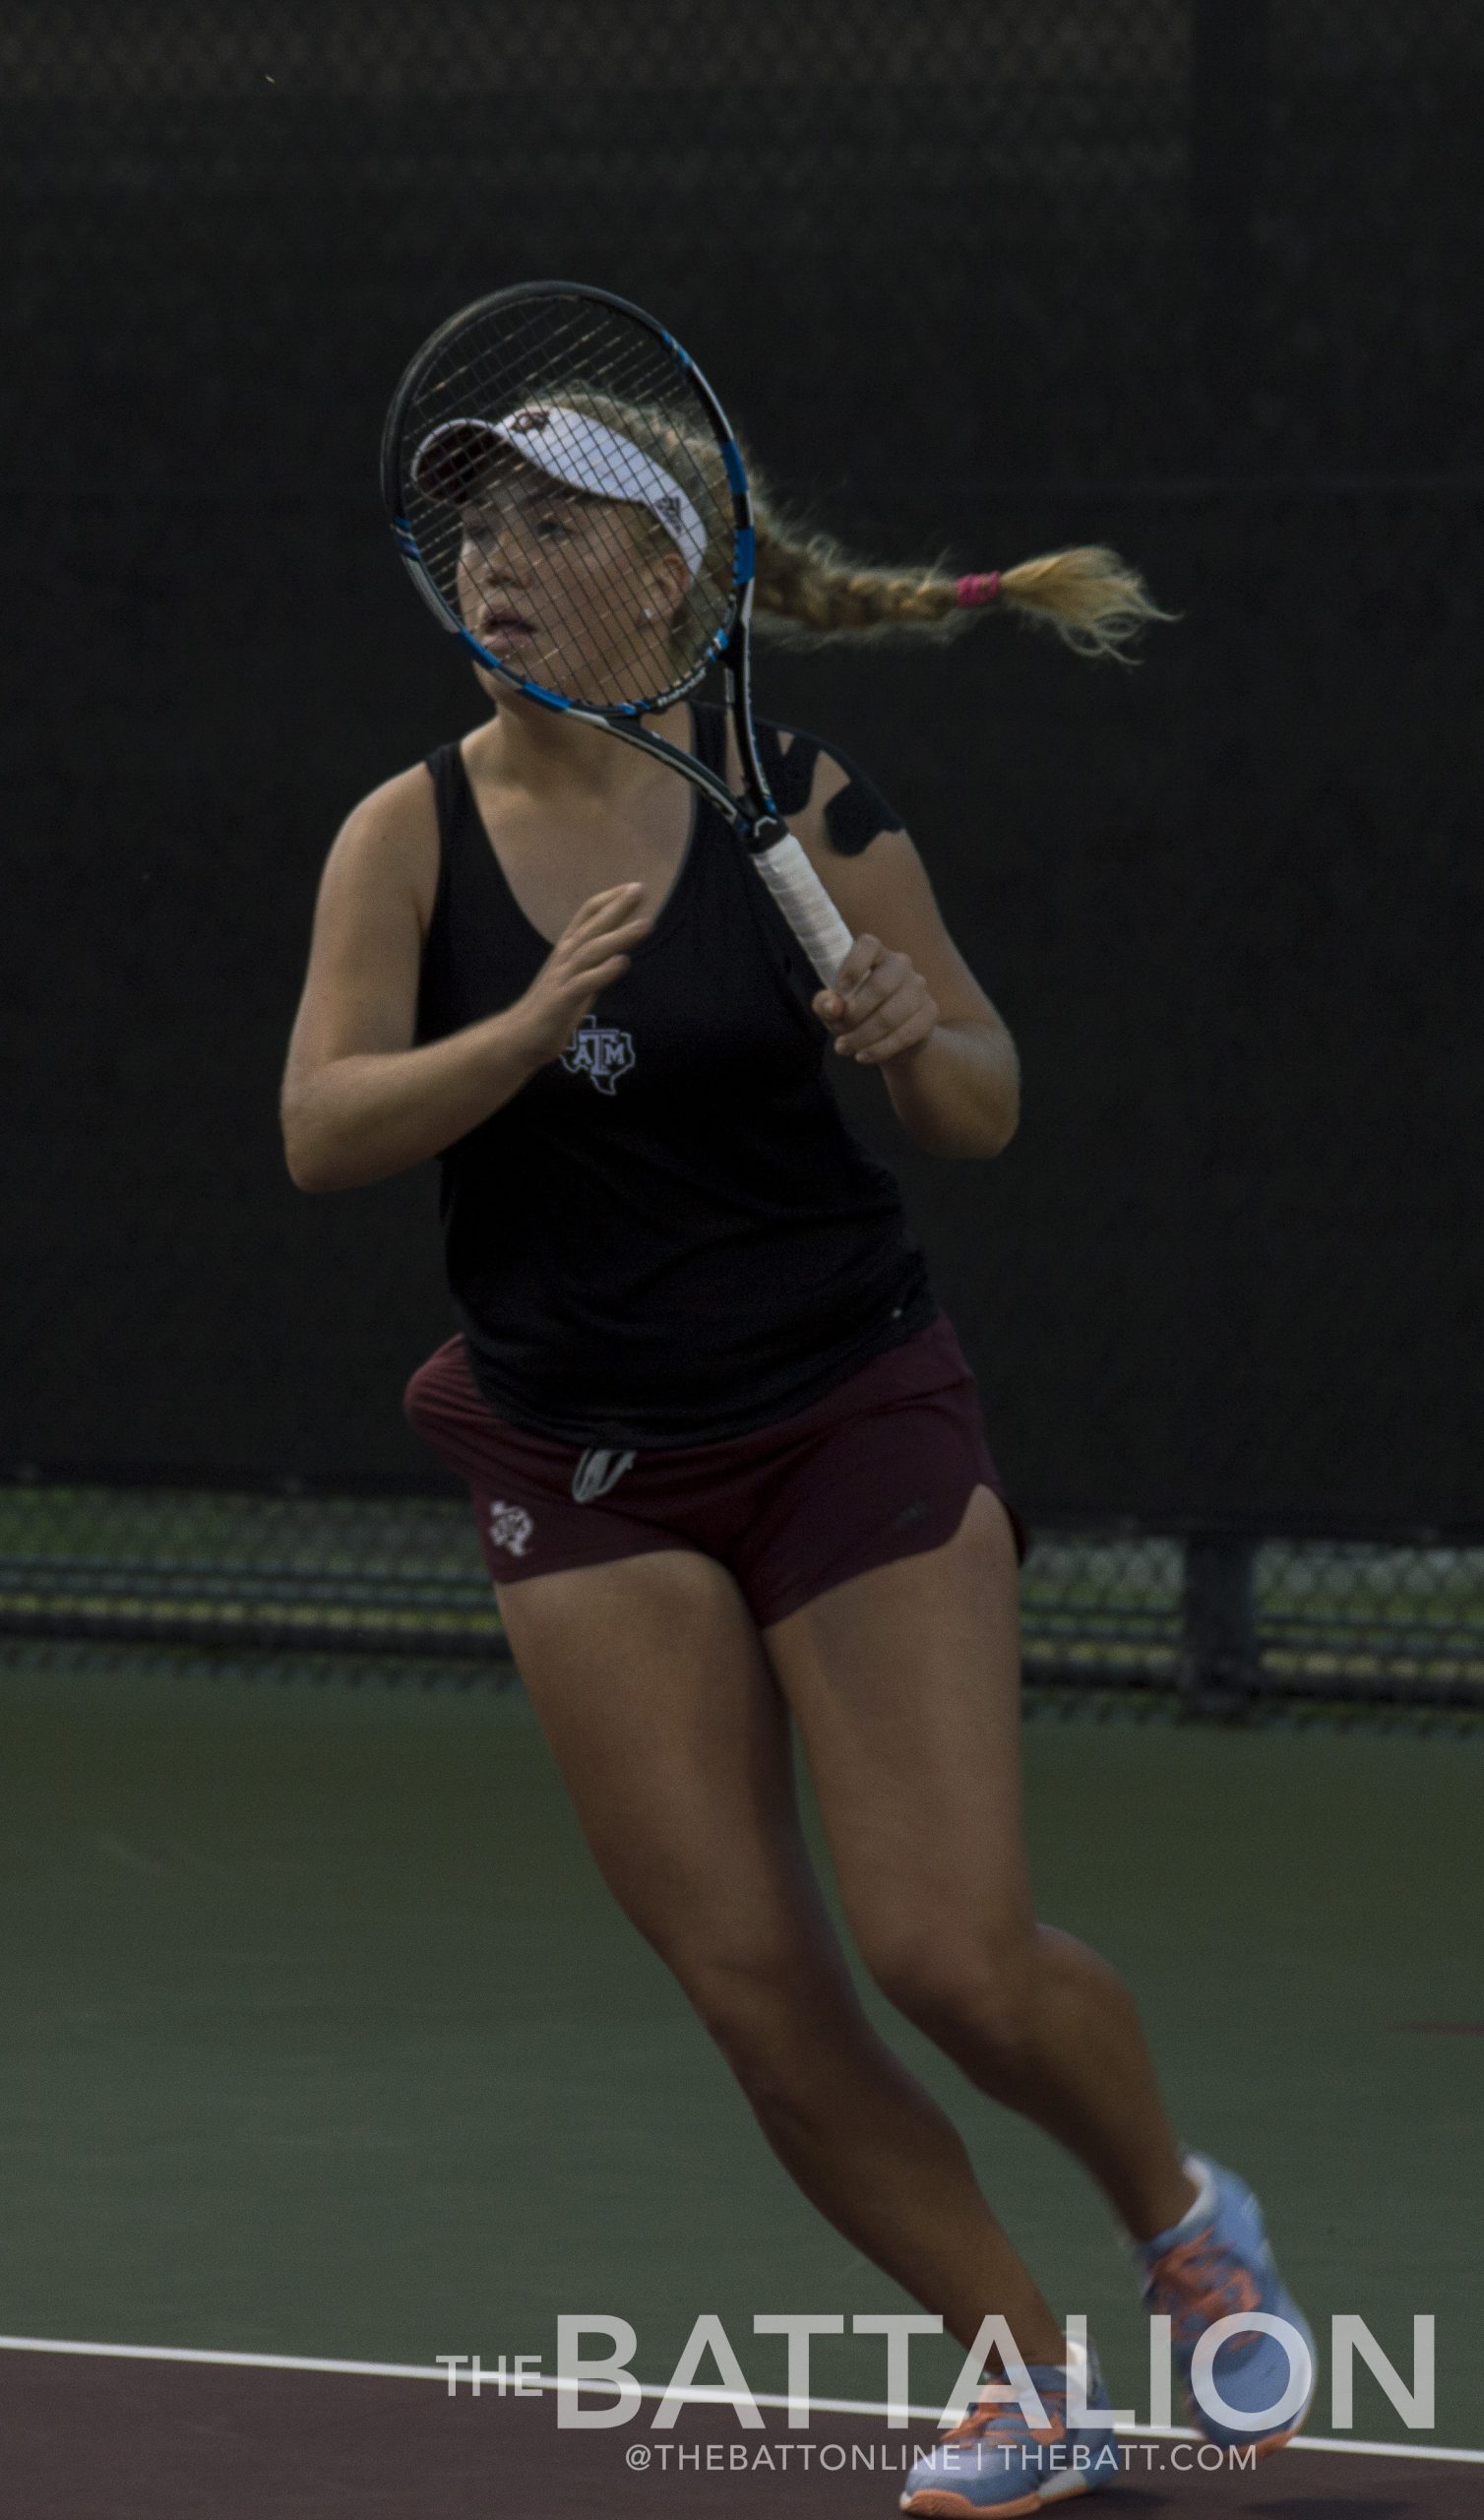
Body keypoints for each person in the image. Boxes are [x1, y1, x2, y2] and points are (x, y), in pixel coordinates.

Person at [280, 436, 1314, 2515]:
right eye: (472, 528)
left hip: (844, 1414)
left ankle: (1178, 2214)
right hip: (581, 1458)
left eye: (551, 525)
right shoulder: (403, 837)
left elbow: (982, 1104)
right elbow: (322, 1126)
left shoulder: (797, 805)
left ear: (670, 578)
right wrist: (528, 1022)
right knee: (759, 1988)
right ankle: (1023, 2381)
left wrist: (908, 1023)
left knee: (948, 1946)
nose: (495, 561)